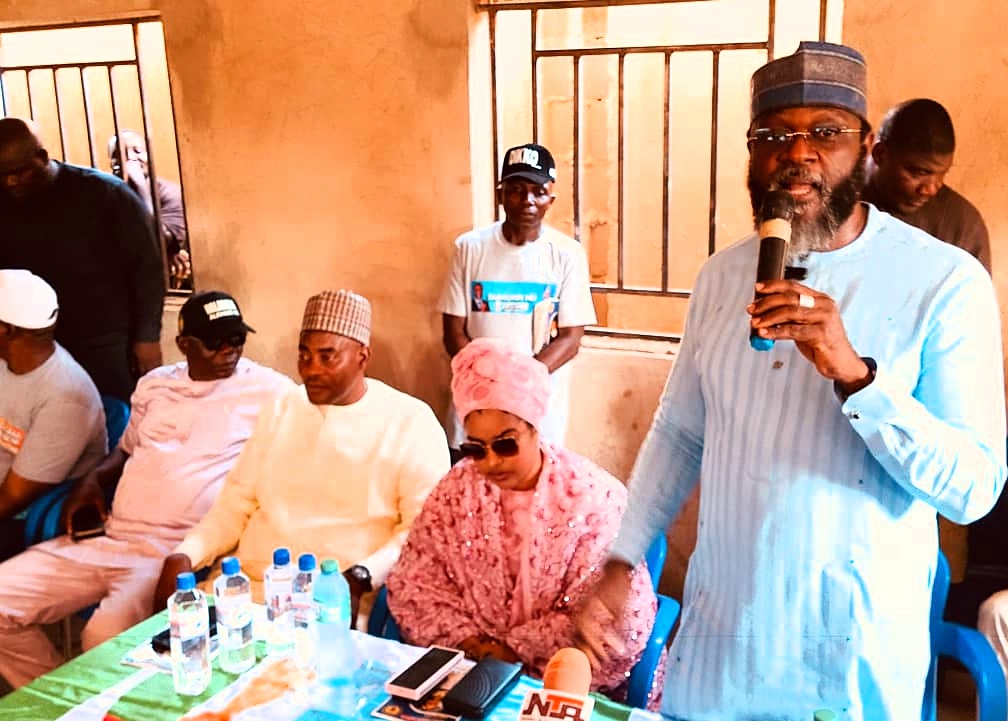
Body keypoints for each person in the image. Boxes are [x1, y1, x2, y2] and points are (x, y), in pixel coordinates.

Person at [575, 42, 1005, 721]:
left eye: (825, 133)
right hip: (720, 653)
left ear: (866, 147)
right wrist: (621, 558)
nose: (795, 153)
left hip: (848, 661)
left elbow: (974, 488)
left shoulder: (945, 282)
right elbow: (681, 431)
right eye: (773, 135)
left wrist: (858, 377)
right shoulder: (722, 276)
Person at [0, 290, 293, 688]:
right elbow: (122, 454)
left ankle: (85, 700)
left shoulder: (271, 392)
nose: (229, 350)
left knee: (101, 639)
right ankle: (59, 698)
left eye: (236, 339)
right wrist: (90, 482)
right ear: (184, 345)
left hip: (175, 552)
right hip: (111, 536)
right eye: (215, 342)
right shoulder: (155, 385)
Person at [386, 337, 661, 707]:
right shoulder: (456, 491)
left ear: (534, 429)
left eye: (505, 444)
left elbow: (618, 619)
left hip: (567, 683)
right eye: (475, 448)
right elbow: (416, 583)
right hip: (469, 669)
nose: (491, 463)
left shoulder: (591, 500)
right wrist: (473, 644)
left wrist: (515, 649)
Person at [154, 289, 450, 625]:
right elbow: (234, 505)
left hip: (332, 600)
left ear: (362, 357)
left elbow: (421, 530)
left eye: (328, 357)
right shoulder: (282, 407)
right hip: (245, 591)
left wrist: (362, 577)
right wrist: (184, 554)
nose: (312, 370)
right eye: (304, 356)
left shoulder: (409, 420)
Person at [439, 143, 596, 459]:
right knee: (472, 483)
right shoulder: (470, 248)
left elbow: (571, 338)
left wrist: (521, 381)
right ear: (500, 195)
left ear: (550, 199)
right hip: (477, 396)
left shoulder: (566, 254)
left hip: (537, 403)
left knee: (532, 485)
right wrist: (486, 379)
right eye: (516, 190)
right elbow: (453, 331)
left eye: (537, 191)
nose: (527, 201)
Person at [0, 117, 165, 403]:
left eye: (18, 172)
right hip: (32, 344)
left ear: (41, 157)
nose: (9, 181)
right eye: (1, 174)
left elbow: (146, 268)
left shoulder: (105, 194)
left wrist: (147, 337)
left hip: (106, 342)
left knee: (115, 421)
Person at [0, 270, 106, 561]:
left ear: (6, 330)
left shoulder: (66, 397)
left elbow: (10, 499)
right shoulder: (6, 363)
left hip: (19, 518)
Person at [863, 98, 991, 273]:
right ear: (880, 154)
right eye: (919, 173)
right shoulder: (835, 199)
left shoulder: (962, 225)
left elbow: (976, 298)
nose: (930, 189)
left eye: (942, 174)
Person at [108, 129, 191, 290]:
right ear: (112, 163)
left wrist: (140, 187)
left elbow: (159, 240)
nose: (130, 158)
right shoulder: (105, 194)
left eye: (137, 151)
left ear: (148, 156)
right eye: (119, 154)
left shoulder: (169, 192)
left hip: (167, 285)